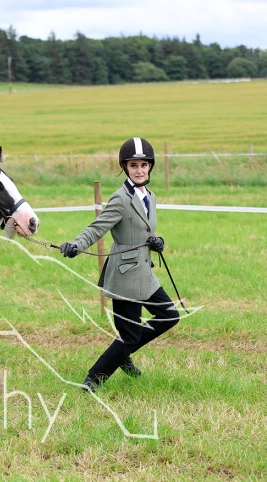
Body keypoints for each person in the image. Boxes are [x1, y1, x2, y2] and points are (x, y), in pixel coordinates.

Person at [59, 137, 180, 392]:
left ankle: (122, 353)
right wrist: (76, 245)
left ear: (150, 166)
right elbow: (97, 228)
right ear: (125, 167)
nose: (139, 170)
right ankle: (93, 379)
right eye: (134, 165)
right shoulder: (120, 199)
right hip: (125, 275)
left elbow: (144, 230)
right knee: (129, 336)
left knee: (169, 315)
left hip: (145, 273)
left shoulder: (150, 196)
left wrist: (157, 242)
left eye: (144, 165)